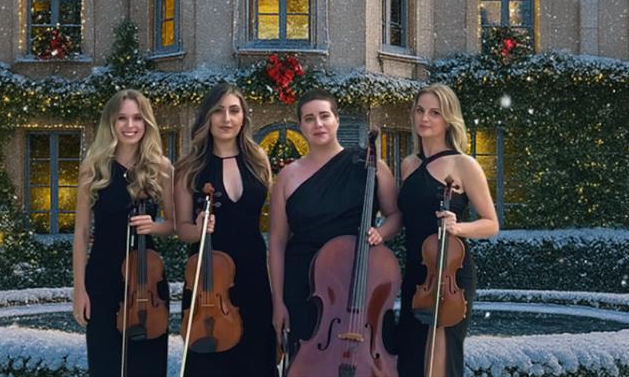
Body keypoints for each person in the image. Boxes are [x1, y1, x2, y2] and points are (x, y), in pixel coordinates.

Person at [268, 89, 402, 360]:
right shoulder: (287, 176)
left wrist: (380, 233)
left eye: (324, 116)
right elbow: (277, 242)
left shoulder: (371, 165)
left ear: (337, 120)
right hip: (304, 285)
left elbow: (396, 216)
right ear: (300, 126)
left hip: (357, 280)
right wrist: (278, 302)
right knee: (307, 363)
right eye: (309, 119)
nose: (318, 124)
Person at [395, 84, 499, 377]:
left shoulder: (463, 164)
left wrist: (458, 226)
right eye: (420, 111)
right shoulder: (408, 164)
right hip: (417, 273)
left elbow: (491, 224)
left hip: (450, 274)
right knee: (411, 361)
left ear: (448, 119)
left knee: (440, 362)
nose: (425, 118)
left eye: (435, 113)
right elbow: (404, 217)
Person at [174, 83, 277, 377]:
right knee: (210, 364)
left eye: (234, 110)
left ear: (243, 117)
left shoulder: (258, 160)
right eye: (218, 111)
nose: (226, 118)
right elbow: (182, 229)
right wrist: (198, 230)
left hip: (253, 273)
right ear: (207, 117)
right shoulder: (189, 167)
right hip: (208, 281)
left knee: (257, 359)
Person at [72, 89, 175, 377]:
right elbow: (81, 231)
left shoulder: (161, 167)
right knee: (105, 365)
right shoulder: (93, 167)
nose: (130, 125)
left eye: (137, 118)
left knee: (147, 367)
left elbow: (175, 224)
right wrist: (79, 289)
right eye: (122, 118)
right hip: (102, 277)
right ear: (111, 123)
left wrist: (154, 226)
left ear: (146, 122)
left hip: (147, 281)